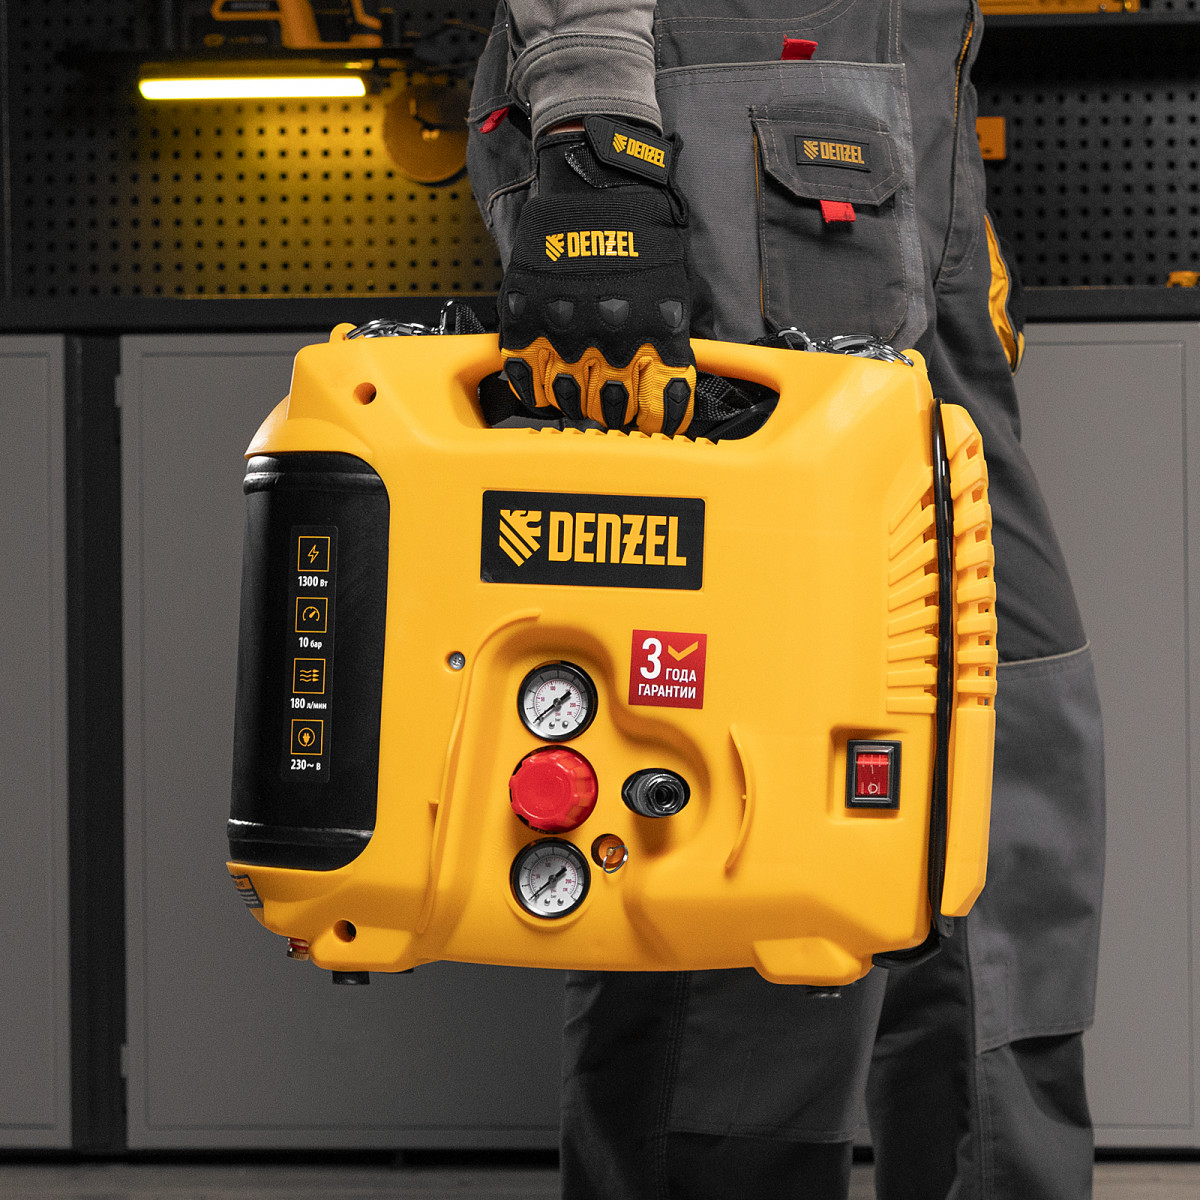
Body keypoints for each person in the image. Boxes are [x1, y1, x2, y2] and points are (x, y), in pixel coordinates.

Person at [466, 4, 1106, 1197]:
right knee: (741, 788)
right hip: (721, 126)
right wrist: (593, 125)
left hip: (903, 133)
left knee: (1006, 743)